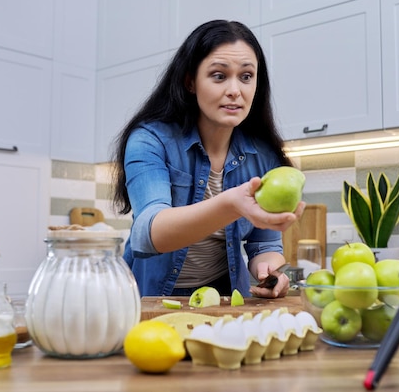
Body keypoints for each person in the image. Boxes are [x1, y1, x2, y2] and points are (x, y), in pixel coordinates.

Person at [111, 20, 305, 299]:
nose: (235, 90)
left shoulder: (263, 155)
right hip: (149, 298)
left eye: (246, 76)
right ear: (190, 82)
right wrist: (230, 203)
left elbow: (264, 244)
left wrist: (271, 272)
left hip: (223, 299)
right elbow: (150, 233)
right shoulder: (149, 140)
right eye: (219, 76)